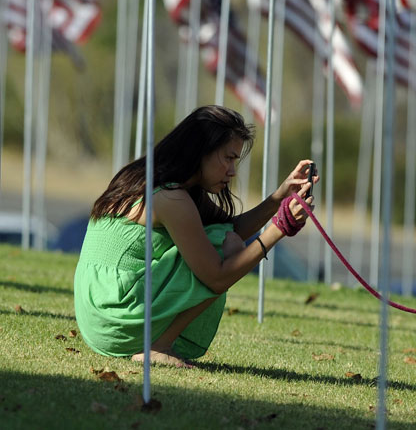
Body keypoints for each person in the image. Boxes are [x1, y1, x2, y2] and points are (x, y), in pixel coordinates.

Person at [73, 105, 318, 368]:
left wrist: (278, 198)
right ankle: (158, 347)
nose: (232, 171)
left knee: (222, 239)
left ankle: (156, 342)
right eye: (228, 158)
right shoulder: (171, 199)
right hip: (116, 318)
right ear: (200, 151)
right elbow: (217, 275)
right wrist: (279, 228)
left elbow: (227, 230)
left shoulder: (149, 177)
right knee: (226, 250)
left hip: (97, 316)